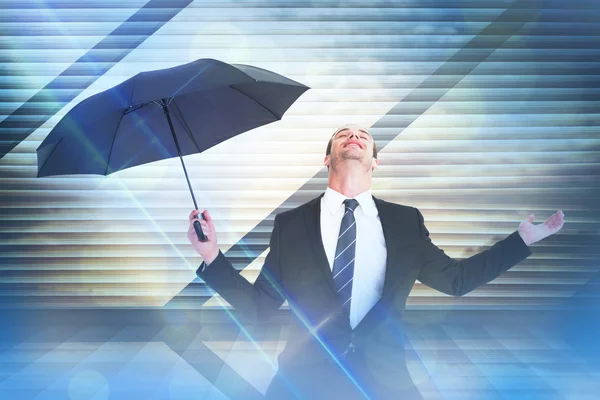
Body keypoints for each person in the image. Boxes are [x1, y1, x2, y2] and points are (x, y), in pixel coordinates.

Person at [187, 124, 565, 399]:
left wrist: (521, 241)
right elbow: (260, 307)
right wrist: (211, 257)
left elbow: (456, 280)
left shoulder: (405, 221)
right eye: (342, 134)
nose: (353, 136)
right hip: (303, 381)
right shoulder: (291, 224)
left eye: (363, 136)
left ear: (375, 161)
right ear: (327, 158)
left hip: (386, 382)